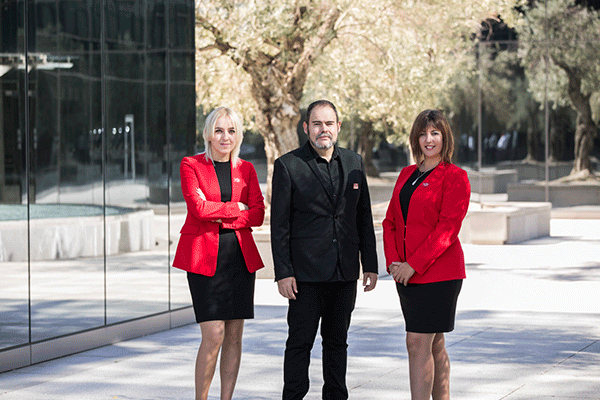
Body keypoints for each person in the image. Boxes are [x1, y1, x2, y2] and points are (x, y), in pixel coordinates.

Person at [270, 99, 379, 400]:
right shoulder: (288, 166)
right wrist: (283, 273)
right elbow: (279, 225)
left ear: (338, 126)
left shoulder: (354, 162)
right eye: (317, 124)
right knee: (299, 343)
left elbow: (363, 217)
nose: (323, 129)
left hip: (344, 272)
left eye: (329, 123)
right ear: (306, 128)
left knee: (337, 343)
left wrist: (370, 265)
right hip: (304, 276)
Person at [172, 107, 265, 400]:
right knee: (214, 335)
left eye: (232, 131)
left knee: (234, 336)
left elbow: (258, 214)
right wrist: (236, 208)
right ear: (208, 134)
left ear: (239, 135)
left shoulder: (246, 169)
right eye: (219, 130)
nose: (226, 137)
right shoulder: (191, 165)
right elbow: (198, 209)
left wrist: (218, 212)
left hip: (239, 260)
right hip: (204, 259)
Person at [382, 109, 470, 400]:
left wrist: (413, 265)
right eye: (423, 134)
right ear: (415, 139)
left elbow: (448, 229)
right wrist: (395, 263)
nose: (428, 140)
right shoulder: (406, 174)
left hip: (439, 275)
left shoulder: (455, 177)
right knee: (434, 343)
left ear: (445, 137)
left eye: (435, 133)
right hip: (405, 275)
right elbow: (390, 222)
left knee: (417, 342)